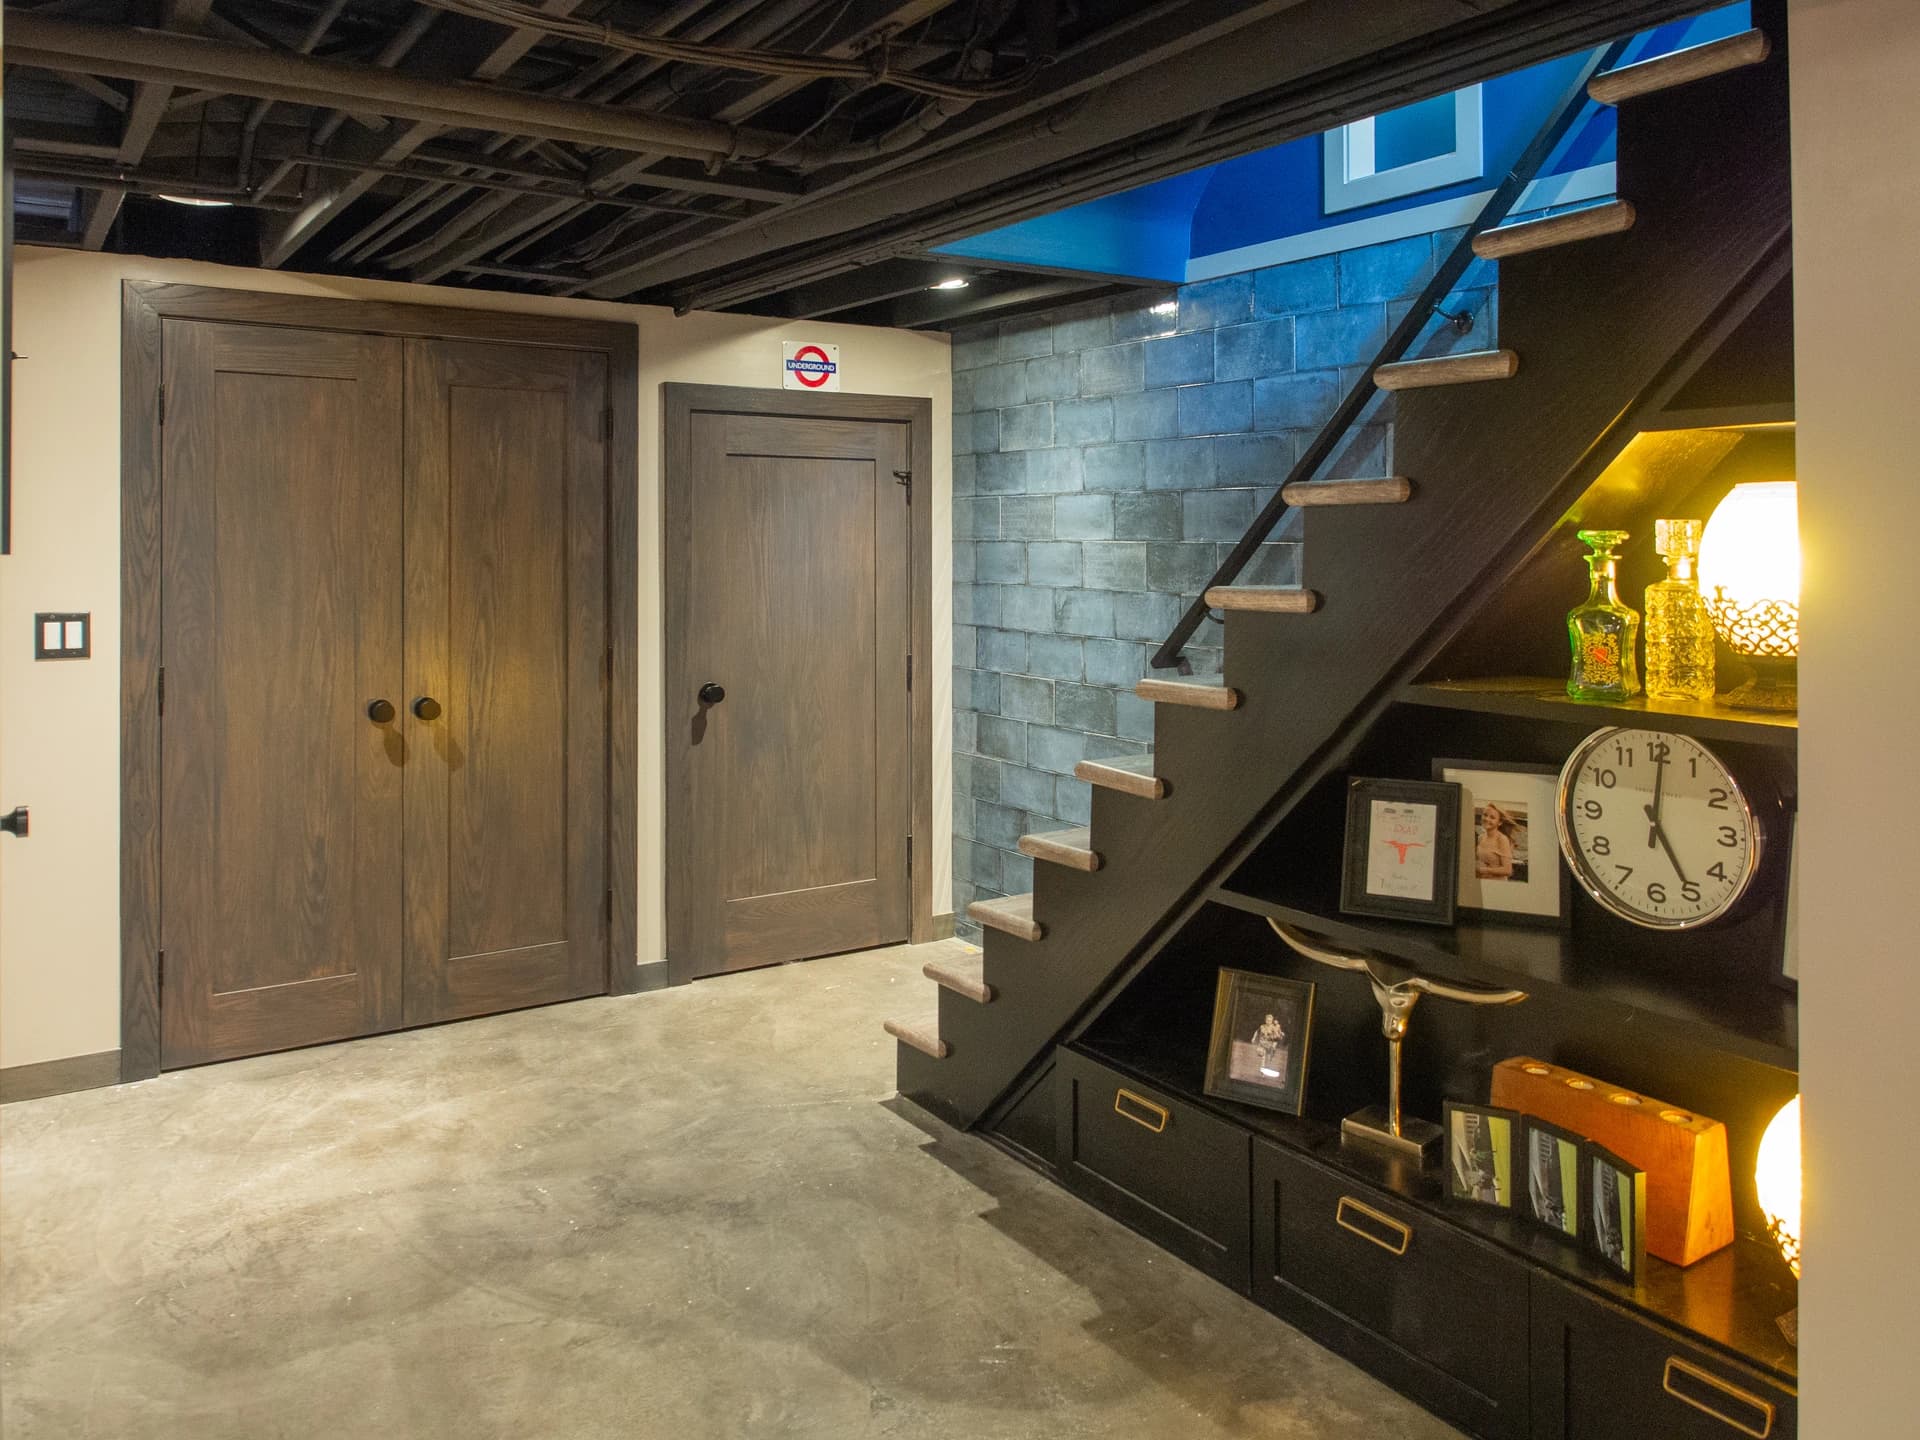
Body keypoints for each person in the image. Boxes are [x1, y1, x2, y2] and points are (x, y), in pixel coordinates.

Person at [1475, 801, 1517, 881]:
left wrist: (1483, 870)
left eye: (1492, 817)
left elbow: (1508, 870)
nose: (1487, 819)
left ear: (1500, 822)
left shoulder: (1502, 839)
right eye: (1485, 815)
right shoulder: (1480, 837)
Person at [1251, 1012, 1288, 1079]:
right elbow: (1256, 1032)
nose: (1268, 1022)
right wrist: (1253, 1038)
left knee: (1267, 1059)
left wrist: (1279, 1035)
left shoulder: (1273, 1028)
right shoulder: (1262, 1026)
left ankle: (1264, 1069)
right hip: (1262, 1044)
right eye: (1267, 1020)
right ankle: (1262, 1072)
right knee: (1263, 1056)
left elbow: (1278, 1035)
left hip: (1269, 1045)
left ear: (1271, 1021)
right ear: (1265, 1020)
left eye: (1270, 1020)